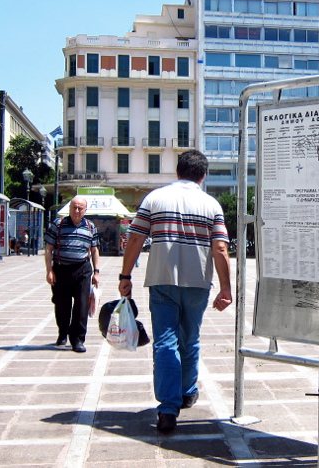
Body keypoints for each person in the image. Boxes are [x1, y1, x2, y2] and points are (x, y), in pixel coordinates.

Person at [118, 149, 233, 434]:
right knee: (190, 338)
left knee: (165, 342)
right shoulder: (211, 205)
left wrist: (125, 275)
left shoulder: (155, 199)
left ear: (178, 171)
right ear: (203, 175)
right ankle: (188, 391)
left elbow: (134, 239)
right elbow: (220, 248)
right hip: (198, 282)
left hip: (162, 279)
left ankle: (168, 409)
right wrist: (227, 289)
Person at [44, 197, 101, 353]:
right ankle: (63, 332)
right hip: (61, 269)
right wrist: (49, 270)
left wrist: (96, 272)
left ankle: (78, 339)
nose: (77, 211)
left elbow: (95, 250)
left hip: (82, 270)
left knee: (82, 305)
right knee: (62, 305)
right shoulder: (58, 224)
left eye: (80, 208)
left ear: (85, 210)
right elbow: (48, 249)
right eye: (74, 207)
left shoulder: (90, 227)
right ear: (69, 208)